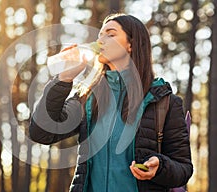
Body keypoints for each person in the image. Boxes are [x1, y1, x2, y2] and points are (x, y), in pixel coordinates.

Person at [29, 13, 193, 192]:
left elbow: (183, 168)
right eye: (99, 35)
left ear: (131, 44)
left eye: (110, 34)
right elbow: (41, 133)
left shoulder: (164, 102)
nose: (100, 40)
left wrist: (159, 167)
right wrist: (64, 79)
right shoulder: (87, 98)